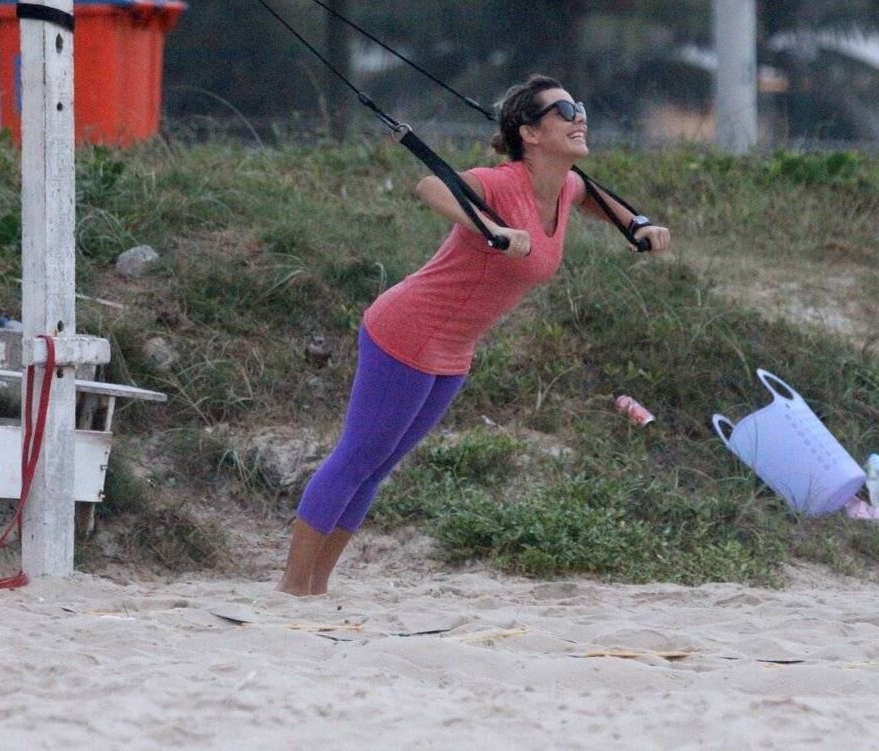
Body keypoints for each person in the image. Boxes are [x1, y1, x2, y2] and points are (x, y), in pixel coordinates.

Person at [277, 75, 672, 596]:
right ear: (529, 134)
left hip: (453, 351)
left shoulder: (565, 185)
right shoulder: (504, 183)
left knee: (377, 469)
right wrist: (491, 228)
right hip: (408, 329)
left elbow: (592, 199)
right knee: (355, 458)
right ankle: (290, 589)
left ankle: (316, 588)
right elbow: (432, 185)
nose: (580, 117)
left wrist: (637, 224)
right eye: (564, 110)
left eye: (580, 106)